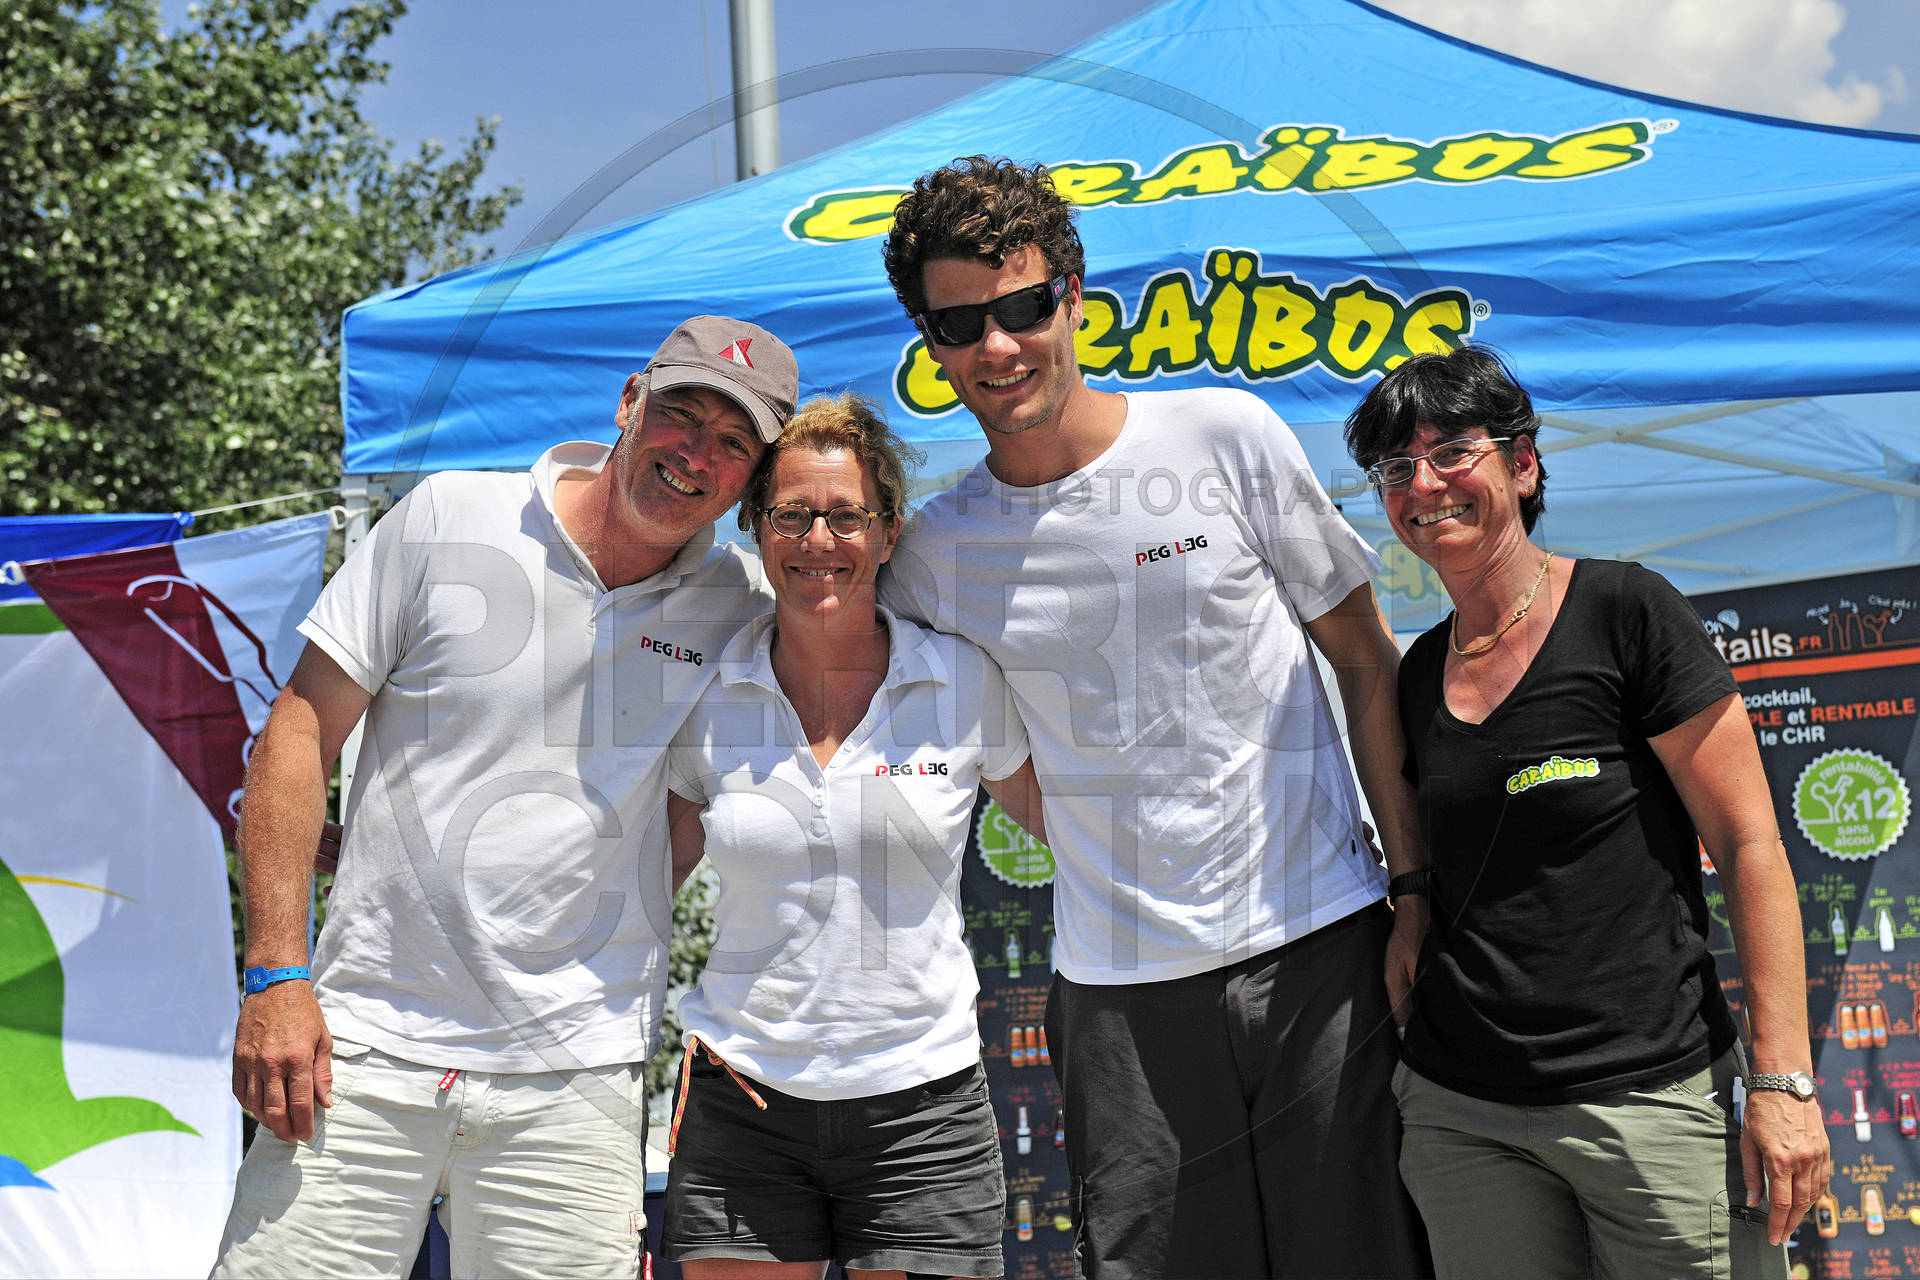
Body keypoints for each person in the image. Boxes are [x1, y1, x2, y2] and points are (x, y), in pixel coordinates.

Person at [877, 156, 1432, 1279]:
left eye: (1023, 307)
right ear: (930, 344)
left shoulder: (1224, 435)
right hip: (1119, 1005)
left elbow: (1367, 660)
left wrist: (1414, 888)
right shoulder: (934, 555)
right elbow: (972, 742)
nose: (998, 346)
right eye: (961, 324)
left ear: (1075, 297)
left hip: (1322, 949)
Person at [211, 316, 798, 1278]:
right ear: (630, 401)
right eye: (682, 414)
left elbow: (693, 810)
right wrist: (276, 973)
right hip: (361, 1044)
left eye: (734, 442)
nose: (696, 454)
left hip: (577, 1071)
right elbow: (300, 728)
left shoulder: (741, 608)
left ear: (753, 481)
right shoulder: (449, 515)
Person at [1343, 345, 1831, 1279]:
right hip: (1464, 1115)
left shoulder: (1625, 610)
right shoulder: (1418, 671)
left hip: (1652, 1097)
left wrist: (1783, 1080)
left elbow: (1749, 843)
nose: (1423, 486)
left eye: (1452, 453)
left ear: (1523, 465)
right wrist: (1410, 905)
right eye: (1396, 469)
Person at [659, 392, 1041, 1280]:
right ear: (757, 529)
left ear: (890, 531)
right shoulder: (706, 695)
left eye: (846, 516)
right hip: (744, 1097)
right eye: (792, 515)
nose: (818, 540)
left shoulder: (961, 680)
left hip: (923, 1107)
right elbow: (645, 878)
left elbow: (1078, 831)